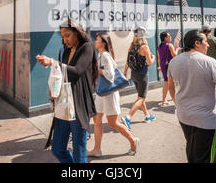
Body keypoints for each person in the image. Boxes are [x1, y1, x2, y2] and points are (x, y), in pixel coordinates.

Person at [168, 30, 216, 163]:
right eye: (205, 42)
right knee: (206, 157)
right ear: (197, 43)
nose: (208, 45)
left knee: (192, 150)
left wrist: (177, 104)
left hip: (183, 116)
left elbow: (171, 87)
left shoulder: (174, 61)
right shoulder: (210, 62)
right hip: (206, 121)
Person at [36, 19, 97, 163]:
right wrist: (53, 90)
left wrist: (52, 62)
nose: (65, 39)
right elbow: (61, 75)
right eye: (63, 36)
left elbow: (77, 71)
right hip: (63, 105)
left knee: (79, 153)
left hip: (79, 106)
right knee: (57, 148)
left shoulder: (87, 47)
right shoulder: (66, 50)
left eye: (68, 35)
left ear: (77, 33)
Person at [88, 33, 139, 157]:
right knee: (97, 120)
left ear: (103, 43)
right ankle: (97, 149)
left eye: (98, 40)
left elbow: (110, 75)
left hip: (109, 94)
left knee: (113, 123)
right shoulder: (100, 55)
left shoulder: (105, 55)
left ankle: (133, 141)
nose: (95, 41)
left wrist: (96, 69)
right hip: (101, 93)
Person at [122, 27, 156, 131]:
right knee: (141, 98)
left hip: (134, 75)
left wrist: (124, 73)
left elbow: (127, 62)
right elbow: (150, 62)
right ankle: (127, 117)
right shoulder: (144, 47)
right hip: (142, 75)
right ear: (143, 35)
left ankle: (147, 115)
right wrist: (153, 57)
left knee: (140, 96)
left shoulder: (132, 46)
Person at [157, 31, 178, 106]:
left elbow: (159, 58)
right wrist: (177, 49)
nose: (170, 37)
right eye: (169, 36)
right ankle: (171, 99)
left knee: (166, 82)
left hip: (163, 66)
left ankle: (164, 99)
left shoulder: (159, 46)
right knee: (170, 83)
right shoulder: (170, 45)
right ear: (165, 38)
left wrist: (159, 66)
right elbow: (175, 55)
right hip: (170, 66)